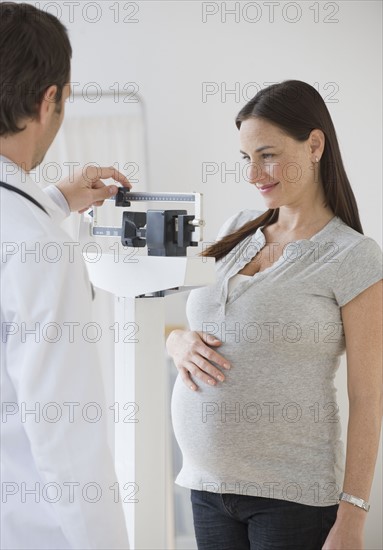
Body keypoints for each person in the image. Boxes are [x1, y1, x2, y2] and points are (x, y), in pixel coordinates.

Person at [167, 80, 383, 549]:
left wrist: (353, 518)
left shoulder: (354, 256)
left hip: (292, 497)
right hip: (207, 486)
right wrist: (176, 342)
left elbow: (368, 398)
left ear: (315, 145)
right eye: (246, 158)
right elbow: (204, 326)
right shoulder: (235, 230)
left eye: (266, 155)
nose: (253, 174)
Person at [0, 3, 131, 549]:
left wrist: (50, 202)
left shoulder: (27, 227)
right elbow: (66, 437)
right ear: (49, 98)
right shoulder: (39, 245)